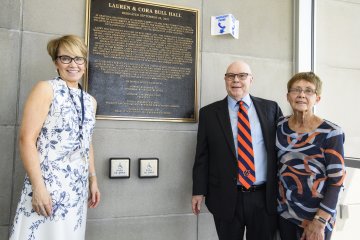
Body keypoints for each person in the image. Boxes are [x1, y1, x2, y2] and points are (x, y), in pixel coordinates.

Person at [10, 35, 100, 240]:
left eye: (79, 59)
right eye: (65, 58)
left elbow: (87, 142)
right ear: (55, 62)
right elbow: (26, 140)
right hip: (47, 184)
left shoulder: (90, 101)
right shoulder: (45, 89)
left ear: (85, 64)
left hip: (76, 187)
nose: (73, 64)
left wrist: (92, 179)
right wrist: (38, 187)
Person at [192, 60, 283, 240]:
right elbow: (202, 156)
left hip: (263, 197)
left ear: (251, 80)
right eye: (230, 76)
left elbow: (282, 150)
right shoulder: (209, 113)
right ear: (225, 80)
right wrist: (198, 190)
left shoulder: (270, 108)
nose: (236, 80)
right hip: (225, 196)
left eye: (242, 76)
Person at [276, 72, 346, 240]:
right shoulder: (280, 126)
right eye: (296, 90)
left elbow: (336, 182)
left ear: (317, 99)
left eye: (308, 91)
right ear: (288, 96)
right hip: (285, 215)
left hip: (316, 220)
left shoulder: (331, 133)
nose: (301, 95)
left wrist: (320, 221)